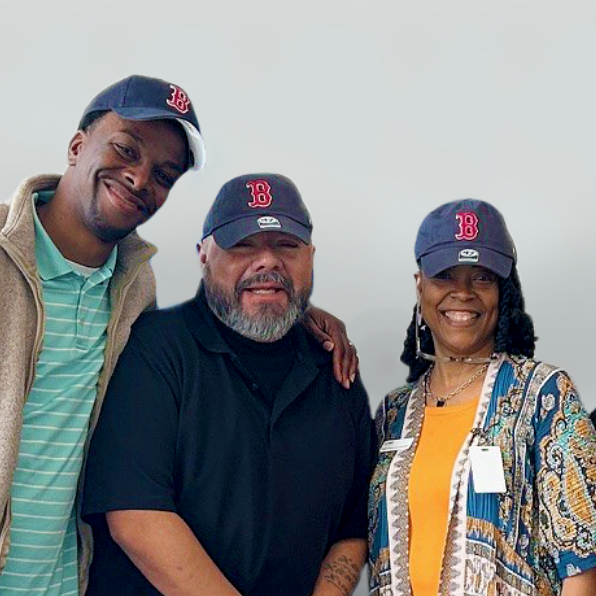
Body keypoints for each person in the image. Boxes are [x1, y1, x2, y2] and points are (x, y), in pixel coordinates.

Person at [0, 77, 355, 596]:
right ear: (77, 146)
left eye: (164, 174)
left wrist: (285, 304)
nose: (140, 177)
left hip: (59, 582)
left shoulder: (131, 288)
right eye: (126, 149)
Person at [82, 173, 375, 596]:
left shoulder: (336, 370)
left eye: (286, 245)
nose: (268, 261)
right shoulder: (156, 350)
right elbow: (136, 519)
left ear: (310, 256)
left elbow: (354, 525)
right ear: (204, 254)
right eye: (243, 245)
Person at [368, 200, 596, 595]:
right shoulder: (393, 413)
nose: (462, 293)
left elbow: (581, 565)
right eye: (445, 276)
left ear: (502, 291)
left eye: (482, 278)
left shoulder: (544, 396)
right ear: (420, 285)